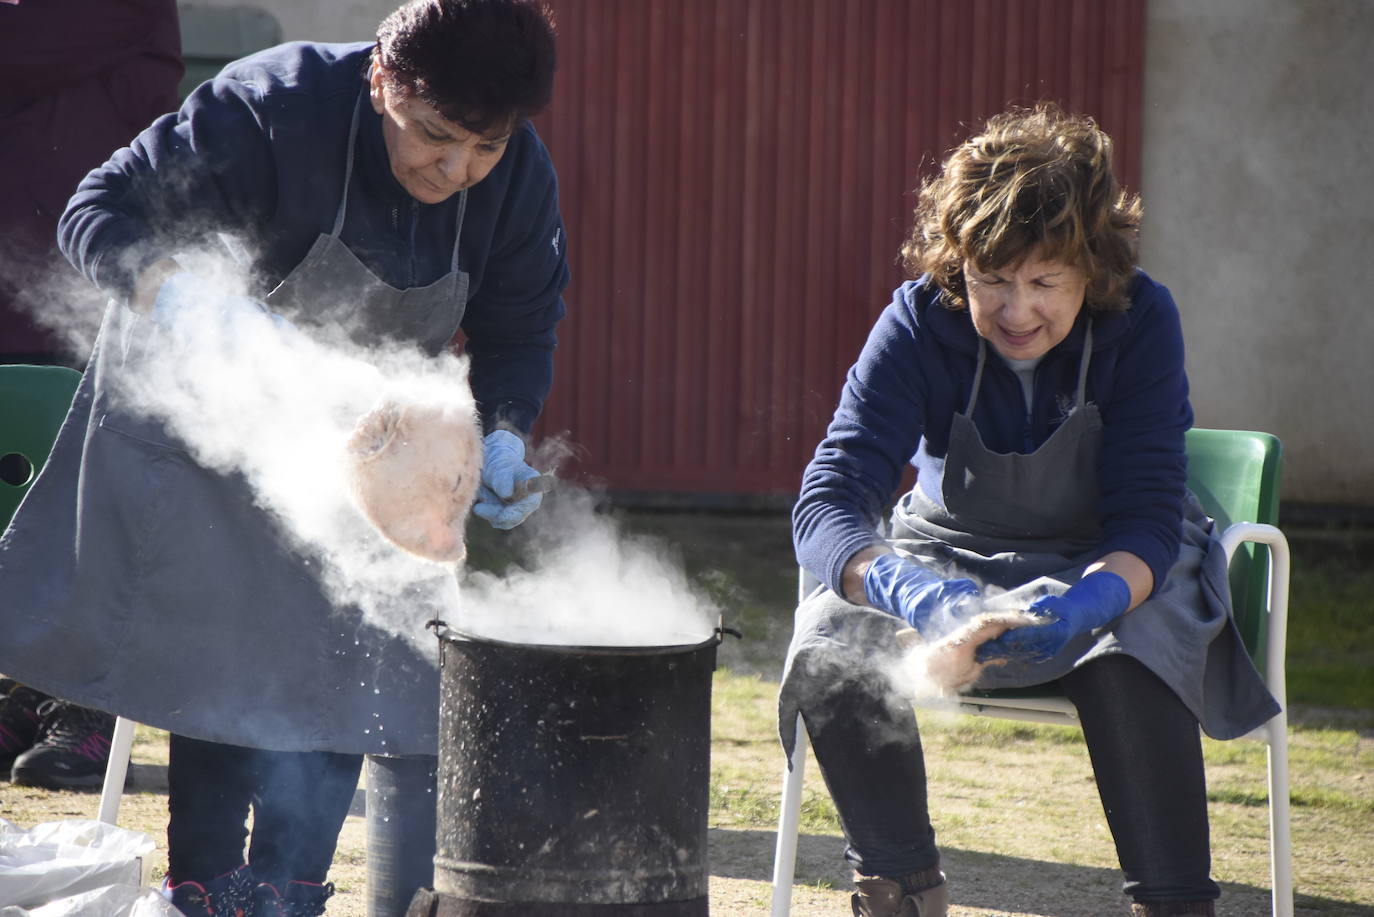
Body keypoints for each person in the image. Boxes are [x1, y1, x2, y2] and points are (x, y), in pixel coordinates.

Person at [0, 1, 568, 915]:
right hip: (206, 420)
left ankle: (291, 890)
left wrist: (504, 429)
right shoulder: (272, 103)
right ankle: (206, 888)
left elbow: (521, 325)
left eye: (484, 148)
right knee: (224, 651)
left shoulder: (517, 178)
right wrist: (189, 301)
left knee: (355, 646)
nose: (455, 170)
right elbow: (97, 209)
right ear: (384, 77)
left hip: (369, 447)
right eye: (434, 137)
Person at [779, 104, 1279, 917]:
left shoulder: (1143, 320)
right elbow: (828, 502)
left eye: (1045, 282)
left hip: (1106, 555)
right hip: (950, 551)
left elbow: (1150, 519)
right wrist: (915, 592)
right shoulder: (915, 321)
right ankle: (898, 886)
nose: (1016, 312)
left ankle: (1175, 901)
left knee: (1132, 650)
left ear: (1093, 269)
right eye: (991, 281)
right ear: (958, 263)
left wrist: (1093, 600)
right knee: (835, 635)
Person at [0, 0, 183, 789]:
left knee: (82, 500)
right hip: (12, 278)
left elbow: (30, 43)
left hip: (78, 283)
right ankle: (18, 688)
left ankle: (84, 707)